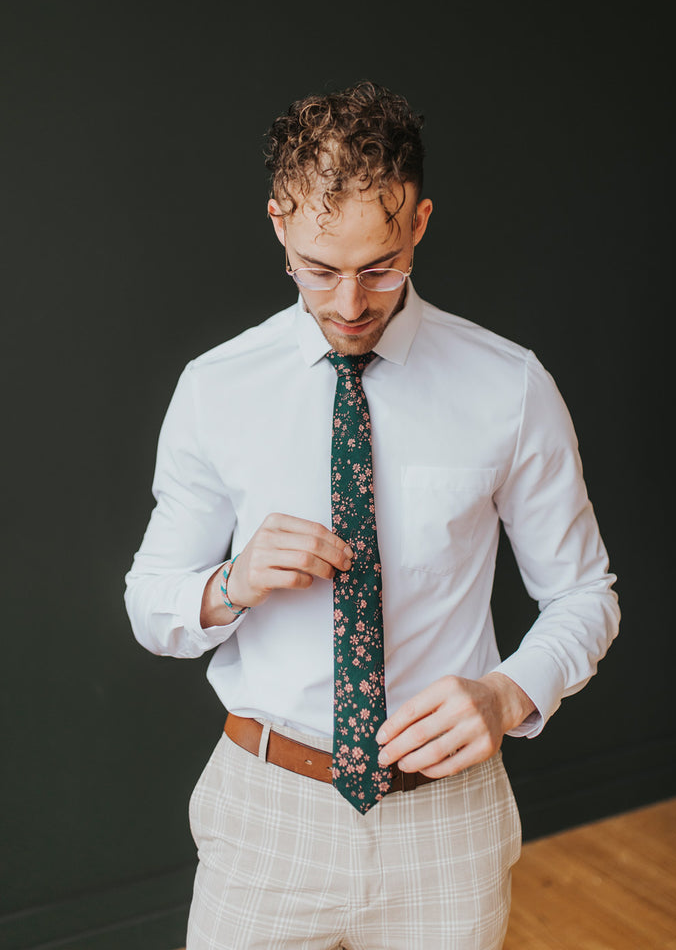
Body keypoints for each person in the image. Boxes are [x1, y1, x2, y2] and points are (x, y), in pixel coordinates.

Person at [125, 80, 619, 950]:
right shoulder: (215, 389)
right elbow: (150, 604)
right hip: (266, 813)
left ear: (419, 224)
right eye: (319, 270)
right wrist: (229, 585)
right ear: (278, 222)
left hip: (447, 820)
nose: (350, 304)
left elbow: (585, 596)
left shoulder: (509, 387)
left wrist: (505, 695)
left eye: (380, 268)